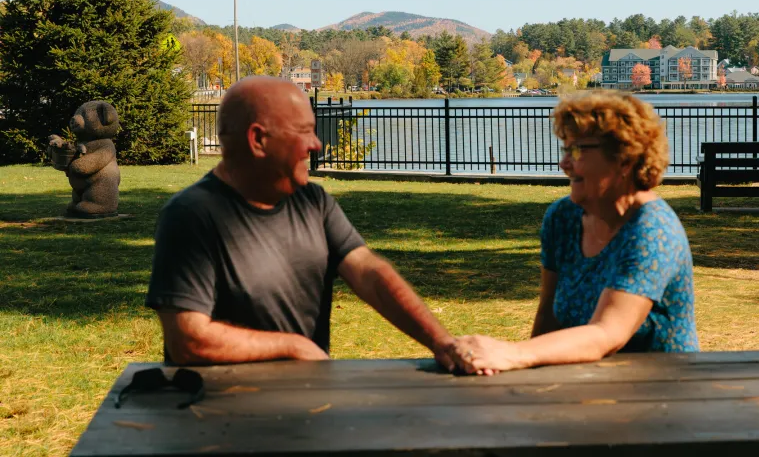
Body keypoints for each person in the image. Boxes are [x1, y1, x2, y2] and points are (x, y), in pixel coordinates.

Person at [146, 76, 458, 370]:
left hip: (305, 404)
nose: (316, 145)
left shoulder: (313, 202)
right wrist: (292, 347)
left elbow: (368, 273)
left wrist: (441, 342)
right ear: (258, 140)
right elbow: (187, 339)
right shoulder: (190, 216)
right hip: (215, 415)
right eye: (304, 131)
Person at [451, 90, 698, 375]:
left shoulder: (652, 230)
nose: (564, 164)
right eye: (565, 150)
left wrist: (512, 353)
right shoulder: (563, 218)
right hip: (584, 387)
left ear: (624, 158)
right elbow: (548, 316)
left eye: (577, 151)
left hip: (663, 395)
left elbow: (607, 334)